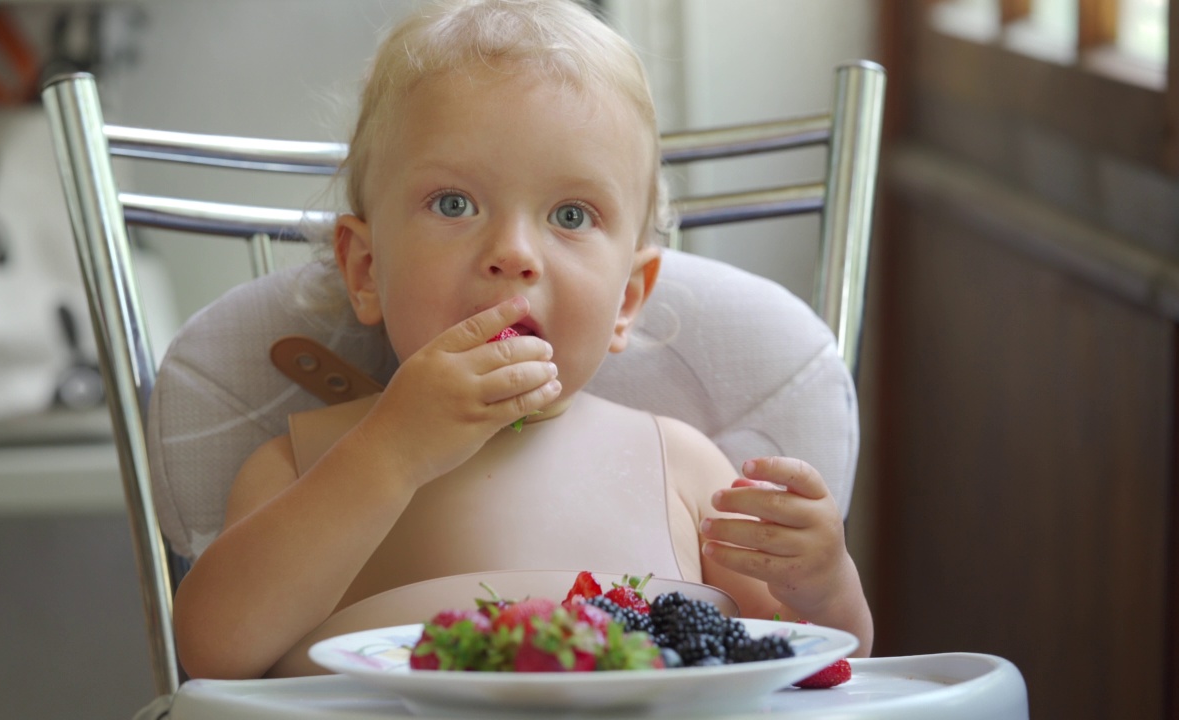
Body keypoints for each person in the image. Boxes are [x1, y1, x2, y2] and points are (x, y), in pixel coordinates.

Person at [172, 0, 873, 680]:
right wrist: (391, 453)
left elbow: (796, 667)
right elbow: (213, 654)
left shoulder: (685, 471)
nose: (512, 252)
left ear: (626, 299)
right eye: (455, 204)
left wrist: (821, 583)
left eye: (570, 213)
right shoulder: (302, 468)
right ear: (366, 269)